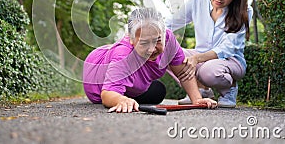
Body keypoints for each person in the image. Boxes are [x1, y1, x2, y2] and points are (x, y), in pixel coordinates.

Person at [83, 7, 217, 113]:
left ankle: (130, 91)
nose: (152, 49)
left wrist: (197, 99)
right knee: (125, 99)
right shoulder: (123, 55)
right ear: (130, 39)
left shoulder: (168, 39)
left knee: (158, 92)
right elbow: (107, 94)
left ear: (164, 34)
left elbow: (183, 72)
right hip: (96, 79)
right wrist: (121, 100)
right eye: (144, 43)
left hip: (134, 82)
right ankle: (126, 94)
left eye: (157, 40)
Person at [166, 0, 253, 108]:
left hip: (230, 61)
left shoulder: (244, 11)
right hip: (200, 56)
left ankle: (229, 88)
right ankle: (201, 90)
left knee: (208, 71)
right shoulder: (198, 2)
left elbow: (228, 48)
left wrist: (197, 59)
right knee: (167, 52)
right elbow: (169, 24)